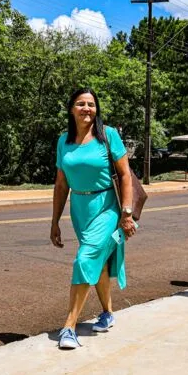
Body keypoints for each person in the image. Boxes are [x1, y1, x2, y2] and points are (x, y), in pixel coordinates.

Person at [50, 88, 137, 349]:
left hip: (107, 206)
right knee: (97, 263)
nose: (86, 108)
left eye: (91, 104)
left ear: (96, 109)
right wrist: (54, 221)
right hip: (80, 207)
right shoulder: (63, 141)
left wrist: (126, 214)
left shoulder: (108, 135)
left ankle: (69, 327)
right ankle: (108, 312)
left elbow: (124, 175)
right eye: (80, 104)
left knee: (85, 258)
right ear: (71, 109)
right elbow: (61, 183)